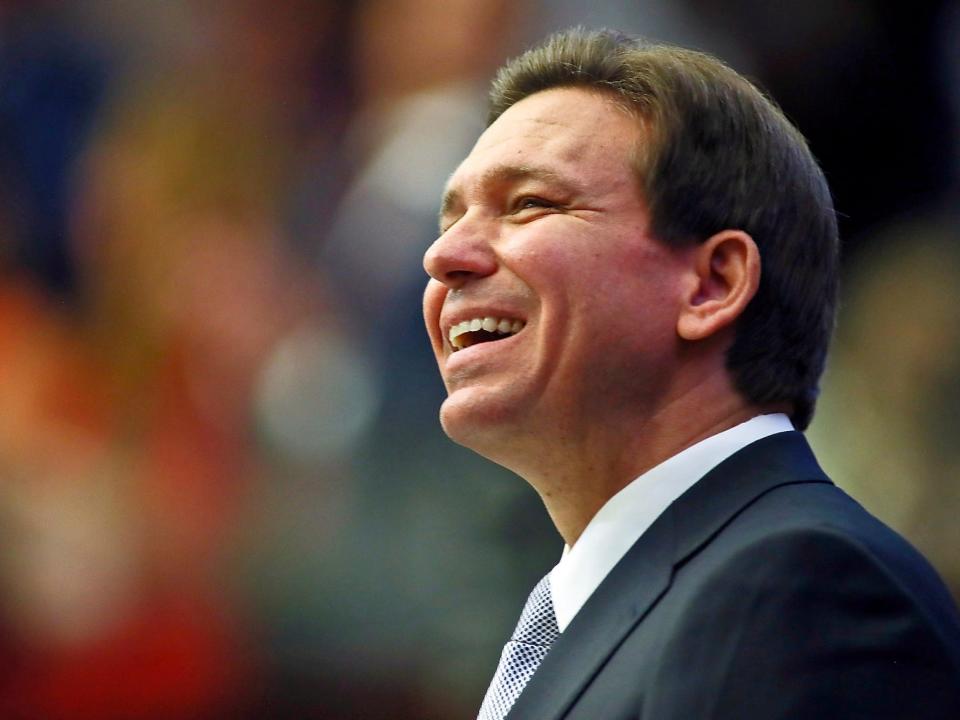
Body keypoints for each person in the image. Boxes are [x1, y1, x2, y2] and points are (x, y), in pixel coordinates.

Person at [421, 28, 960, 720]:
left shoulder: (798, 586)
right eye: (452, 217)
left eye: (529, 203)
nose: (445, 255)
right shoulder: (599, 609)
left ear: (711, 284)